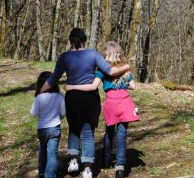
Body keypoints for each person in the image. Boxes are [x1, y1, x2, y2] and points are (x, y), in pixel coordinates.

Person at [40, 28, 129, 178]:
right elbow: (110, 71)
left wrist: (40, 91)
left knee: (74, 130)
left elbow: (53, 79)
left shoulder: (64, 57)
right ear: (84, 40)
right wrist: (127, 66)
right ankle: (87, 169)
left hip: (72, 99)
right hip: (90, 100)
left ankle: (74, 161)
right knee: (88, 134)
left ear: (71, 41)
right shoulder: (93, 54)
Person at [66, 41, 139, 178]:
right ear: (119, 54)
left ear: (105, 55)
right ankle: (120, 168)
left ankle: (106, 159)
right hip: (125, 102)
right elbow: (133, 86)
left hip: (111, 104)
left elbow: (93, 87)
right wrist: (122, 87)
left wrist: (72, 87)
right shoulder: (125, 70)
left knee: (109, 131)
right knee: (122, 135)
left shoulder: (102, 72)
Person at [30, 71, 66, 178]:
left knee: (42, 149)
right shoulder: (59, 96)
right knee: (52, 155)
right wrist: (57, 117)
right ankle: (49, 175)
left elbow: (33, 113)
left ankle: (41, 171)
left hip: (42, 128)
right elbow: (63, 113)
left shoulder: (39, 97)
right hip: (55, 128)